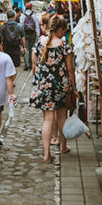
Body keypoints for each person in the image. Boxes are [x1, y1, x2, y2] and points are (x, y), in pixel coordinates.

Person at [30, 15, 77, 163]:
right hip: (61, 86)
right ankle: (63, 147)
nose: (65, 33)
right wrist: (74, 88)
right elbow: (70, 70)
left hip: (44, 85)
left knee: (47, 119)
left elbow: (34, 64)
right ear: (60, 29)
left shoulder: (40, 43)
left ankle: (46, 154)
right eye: (65, 30)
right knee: (62, 117)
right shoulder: (64, 46)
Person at [20, 3, 40, 71]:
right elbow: (37, 27)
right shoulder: (34, 15)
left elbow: (21, 26)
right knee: (32, 49)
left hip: (25, 34)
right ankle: (32, 64)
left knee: (26, 49)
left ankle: (27, 64)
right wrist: (38, 36)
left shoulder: (22, 15)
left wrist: (21, 35)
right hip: (32, 34)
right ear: (31, 8)